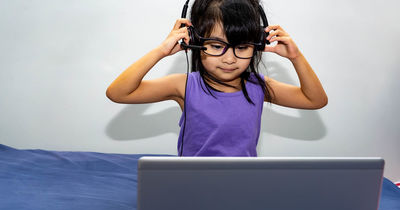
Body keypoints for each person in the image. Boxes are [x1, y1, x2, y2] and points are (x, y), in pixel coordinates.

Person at [106, 0, 328, 156]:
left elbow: (315, 100)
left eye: (241, 47)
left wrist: (296, 57)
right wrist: (160, 51)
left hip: (241, 185)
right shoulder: (184, 86)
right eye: (216, 46)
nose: (229, 58)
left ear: (257, 45)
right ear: (194, 41)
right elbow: (118, 93)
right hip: (193, 186)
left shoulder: (259, 87)